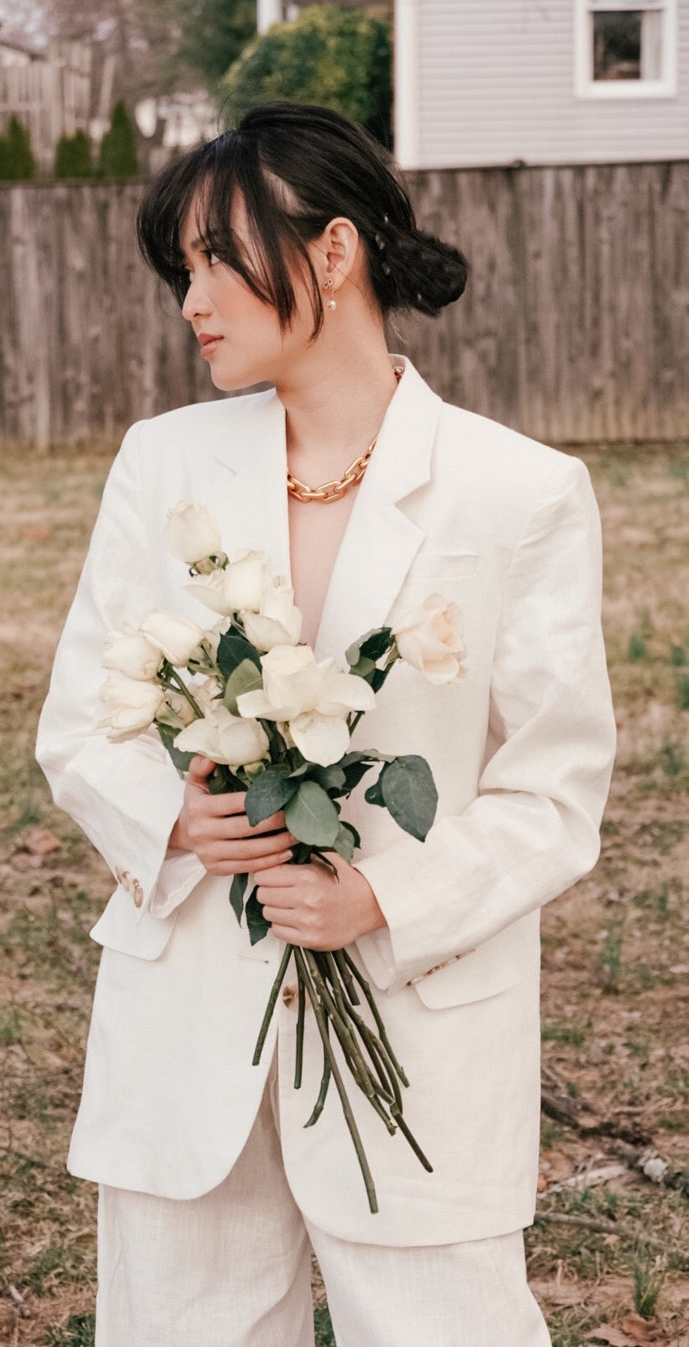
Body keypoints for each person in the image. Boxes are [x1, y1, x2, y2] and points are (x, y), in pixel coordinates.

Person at [36, 102, 616, 1347]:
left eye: (213, 259)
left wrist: (382, 899)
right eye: (179, 268)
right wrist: (175, 818)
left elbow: (557, 791)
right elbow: (83, 726)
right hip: (186, 1024)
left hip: (413, 1039)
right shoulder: (163, 464)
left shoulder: (519, 491)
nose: (190, 299)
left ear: (334, 253)